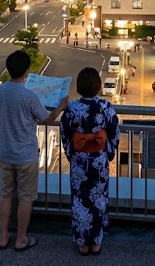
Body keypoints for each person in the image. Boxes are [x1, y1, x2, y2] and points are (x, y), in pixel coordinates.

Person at [0, 50, 69, 252]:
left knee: (6, 195)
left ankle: (3, 237)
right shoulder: (29, 95)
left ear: (8, 69)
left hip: (5, 153)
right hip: (26, 155)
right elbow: (46, 119)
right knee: (25, 197)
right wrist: (60, 106)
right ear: (27, 71)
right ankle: (21, 239)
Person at [61, 67, 121, 256]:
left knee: (80, 199)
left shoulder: (72, 109)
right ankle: (96, 242)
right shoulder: (105, 107)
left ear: (79, 86)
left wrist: (71, 152)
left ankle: (82, 243)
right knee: (98, 199)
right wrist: (108, 152)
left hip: (80, 161)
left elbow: (65, 133)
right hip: (99, 161)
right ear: (98, 85)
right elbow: (114, 132)